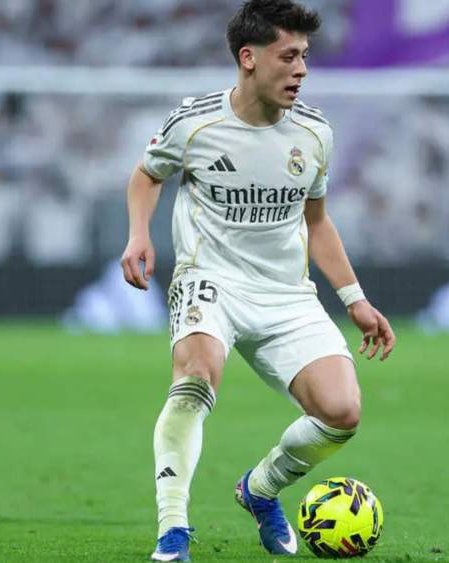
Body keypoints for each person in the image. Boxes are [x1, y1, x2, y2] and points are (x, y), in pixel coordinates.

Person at [119, 1, 396, 560]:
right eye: (288, 56)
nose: (301, 70)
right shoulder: (196, 123)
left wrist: (355, 299)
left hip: (285, 295)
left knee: (342, 412)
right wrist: (138, 234)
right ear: (248, 58)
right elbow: (147, 176)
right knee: (196, 376)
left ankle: (260, 489)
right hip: (210, 279)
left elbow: (316, 222)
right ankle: (172, 529)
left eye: (305, 58)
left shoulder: (315, 134)